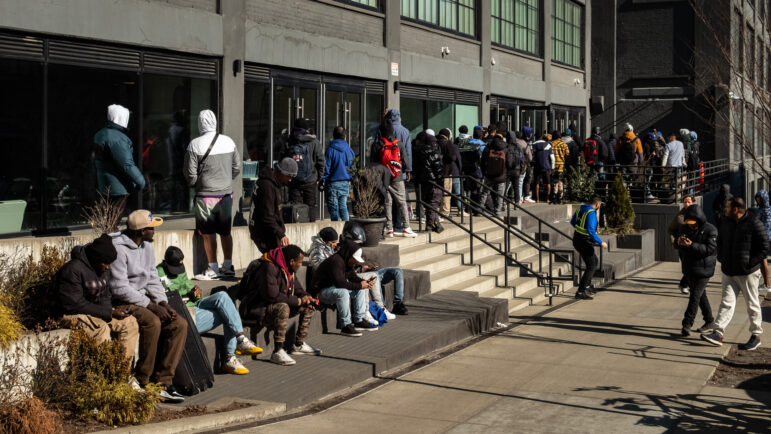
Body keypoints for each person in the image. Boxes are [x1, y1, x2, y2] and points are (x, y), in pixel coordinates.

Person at [109, 210, 187, 403]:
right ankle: (143, 379)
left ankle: (163, 382)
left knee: (179, 324)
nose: (155, 232)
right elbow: (119, 288)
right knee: (152, 322)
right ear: (142, 231)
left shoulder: (147, 247)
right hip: (123, 300)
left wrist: (163, 303)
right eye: (152, 228)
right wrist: (152, 307)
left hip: (144, 299)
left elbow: (152, 277)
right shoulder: (118, 249)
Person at [157, 246, 262, 375]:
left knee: (223, 296)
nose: (178, 271)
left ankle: (239, 339)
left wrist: (196, 291)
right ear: (165, 263)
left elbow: (191, 290)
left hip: (194, 305)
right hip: (184, 312)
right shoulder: (157, 274)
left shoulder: (180, 270)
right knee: (227, 313)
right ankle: (230, 356)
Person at [56, 234, 139, 363]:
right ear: (94, 259)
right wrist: (108, 313)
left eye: (110, 263)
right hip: (69, 313)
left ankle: (120, 374)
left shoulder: (102, 268)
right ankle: (104, 375)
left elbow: (105, 296)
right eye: (105, 263)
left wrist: (110, 312)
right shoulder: (72, 270)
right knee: (100, 328)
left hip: (94, 311)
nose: (108, 267)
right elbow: (75, 304)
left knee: (130, 323)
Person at [701, 198, 769, 350]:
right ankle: (718, 333)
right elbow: (721, 241)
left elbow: (765, 246)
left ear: (736, 209)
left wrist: (750, 263)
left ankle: (756, 335)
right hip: (729, 270)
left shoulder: (754, 223)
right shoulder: (726, 222)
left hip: (748, 273)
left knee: (752, 304)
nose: (725, 209)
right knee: (726, 302)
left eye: (727, 207)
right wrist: (722, 258)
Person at [183, 110, 241, 280]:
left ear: (199, 123)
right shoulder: (228, 142)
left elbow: (189, 172)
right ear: (215, 122)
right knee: (225, 231)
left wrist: (197, 184)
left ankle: (213, 267)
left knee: (208, 233)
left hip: (204, 195)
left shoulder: (194, 145)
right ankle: (228, 265)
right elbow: (237, 167)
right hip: (226, 195)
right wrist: (226, 179)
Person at [240, 244, 321, 366]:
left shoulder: (288, 269)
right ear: (292, 261)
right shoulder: (269, 267)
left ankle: (298, 345)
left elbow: (298, 289)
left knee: (307, 305)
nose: (301, 265)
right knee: (283, 307)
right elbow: (273, 296)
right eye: (299, 262)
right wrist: (298, 301)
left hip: (270, 306)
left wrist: (307, 298)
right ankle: (277, 351)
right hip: (255, 309)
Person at [310, 239, 377, 336]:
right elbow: (340, 284)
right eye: (355, 259)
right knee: (343, 292)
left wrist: (363, 282)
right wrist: (360, 285)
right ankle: (345, 326)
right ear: (348, 254)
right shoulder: (335, 261)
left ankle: (359, 320)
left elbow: (352, 276)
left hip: (333, 289)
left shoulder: (347, 262)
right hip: (321, 292)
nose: (356, 262)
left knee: (359, 290)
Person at [675, 205, 716, 337]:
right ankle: (709, 321)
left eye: (693, 224)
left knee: (695, 296)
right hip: (689, 268)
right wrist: (679, 243)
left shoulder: (711, 230)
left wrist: (691, 245)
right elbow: (677, 242)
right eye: (689, 224)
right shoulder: (685, 228)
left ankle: (687, 324)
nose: (691, 226)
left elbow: (709, 249)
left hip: (704, 269)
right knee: (700, 295)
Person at [94, 104, 145, 208]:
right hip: (118, 187)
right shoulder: (117, 138)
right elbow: (126, 164)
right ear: (121, 118)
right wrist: (141, 182)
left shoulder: (101, 134)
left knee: (107, 219)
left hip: (105, 184)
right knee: (113, 220)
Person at [376, 120, 417, 238]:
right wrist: (402, 170)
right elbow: (405, 161)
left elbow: (375, 161)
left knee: (387, 202)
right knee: (402, 202)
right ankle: (406, 228)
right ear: (392, 131)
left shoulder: (378, 144)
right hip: (397, 177)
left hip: (383, 177)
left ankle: (389, 229)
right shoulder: (399, 144)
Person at [249, 158, 297, 253]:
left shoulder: (272, 183)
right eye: (289, 176)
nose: (290, 180)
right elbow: (267, 216)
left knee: (275, 259)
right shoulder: (267, 186)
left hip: (269, 230)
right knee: (275, 260)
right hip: (264, 232)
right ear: (281, 172)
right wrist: (280, 234)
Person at [285, 118, 324, 222]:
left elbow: (283, 160)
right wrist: (318, 177)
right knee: (310, 206)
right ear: (307, 129)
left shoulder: (289, 141)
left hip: (293, 179)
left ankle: (296, 228)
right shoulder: (314, 142)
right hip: (310, 179)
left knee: (295, 207)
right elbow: (321, 161)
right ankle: (311, 229)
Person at [571, 197, 609, 300]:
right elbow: (591, 231)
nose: (599, 207)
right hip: (584, 241)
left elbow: (573, 222)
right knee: (591, 265)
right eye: (600, 205)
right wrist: (601, 242)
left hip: (577, 239)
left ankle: (587, 286)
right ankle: (580, 291)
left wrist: (580, 231)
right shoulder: (591, 213)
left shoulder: (580, 208)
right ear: (597, 204)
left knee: (594, 261)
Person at [413, 131, 445, 232]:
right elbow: (438, 171)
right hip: (433, 182)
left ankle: (436, 224)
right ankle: (430, 225)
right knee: (433, 204)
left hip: (422, 182)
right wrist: (441, 183)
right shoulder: (434, 153)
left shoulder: (417, 153)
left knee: (430, 204)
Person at [322, 126, 355, 221]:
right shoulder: (349, 150)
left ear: (333, 136)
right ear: (345, 136)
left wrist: (323, 179)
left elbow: (326, 168)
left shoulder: (330, 150)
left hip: (332, 183)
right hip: (345, 183)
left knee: (334, 209)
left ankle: (336, 231)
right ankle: (346, 230)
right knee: (343, 207)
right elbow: (351, 167)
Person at [668, 195, 696, 294]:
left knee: (693, 267)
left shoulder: (697, 214)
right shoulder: (680, 216)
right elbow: (671, 229)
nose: (686, 204)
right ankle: (686, 285)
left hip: (695, 245)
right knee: (687, 267)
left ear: (693, 202)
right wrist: (673, 241)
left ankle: (684, 284)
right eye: (685, 202)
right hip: (683, 246)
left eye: (689, 202)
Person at [479, 135, 508, 215]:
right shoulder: (505, 148)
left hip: (489, 174)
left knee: (485, 192)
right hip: (501, 175)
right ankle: (497, 211)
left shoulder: (488, 148)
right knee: (500, 194)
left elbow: (482, 162)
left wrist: (484, 172)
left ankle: (480, 208)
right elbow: (509, 162)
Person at [750, 190, 771, 291]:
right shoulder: (766, 209)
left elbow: (763, 225)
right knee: (763, 261)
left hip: (764, 239)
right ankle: (766, 284)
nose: (758, 200)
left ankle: (767, 284)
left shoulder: (764, 211)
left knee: (763, 261)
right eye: (757, 198)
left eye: (760, 199)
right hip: (765, 238)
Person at [439, 128, 462, 216]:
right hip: (447, 171)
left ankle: (439, 211)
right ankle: (445, 212)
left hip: (436, 171)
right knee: (448, 193)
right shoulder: (448, 143)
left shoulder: (435, 142)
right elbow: (454, 158)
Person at [531, 134, 554, 204]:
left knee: (536, 183)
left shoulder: (534, 144)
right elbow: (552, 158)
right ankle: (547, 199)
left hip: (537, 166)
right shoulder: (548, 145)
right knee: (548, 183)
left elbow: (532, 155)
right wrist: (552, 168)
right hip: (546, 166)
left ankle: (537, 199)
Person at [662, 133, 686, 199]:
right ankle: (678, 195)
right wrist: (684, 163)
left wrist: (663, 165)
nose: (667, 140)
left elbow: (665, 156)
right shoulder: (681, 144)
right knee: (678, 180)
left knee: (671, 181)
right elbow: (683, 154)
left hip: (671, 166)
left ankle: (672, 195)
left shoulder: (668, 145)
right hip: (679, 165)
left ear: (670, 138)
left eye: (668, 138)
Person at [551, 131, 570, 204]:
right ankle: (560, 196)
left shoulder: (551, 144)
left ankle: (555, 196)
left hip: (553, 166)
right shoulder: (563, 144)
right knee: (560, 180)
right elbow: (567, 154)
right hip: (561, 165)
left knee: (555, 181)